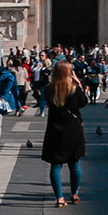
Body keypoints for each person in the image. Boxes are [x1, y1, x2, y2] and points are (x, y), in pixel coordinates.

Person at [42, 61, 87, 207]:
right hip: (73, 130)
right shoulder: (74, 89)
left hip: (55, 129)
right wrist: (78, 83)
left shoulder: (49, 89)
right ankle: (74, 194)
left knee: (55, 165)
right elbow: (83, 103)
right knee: (75, 164)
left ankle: (60, 198)